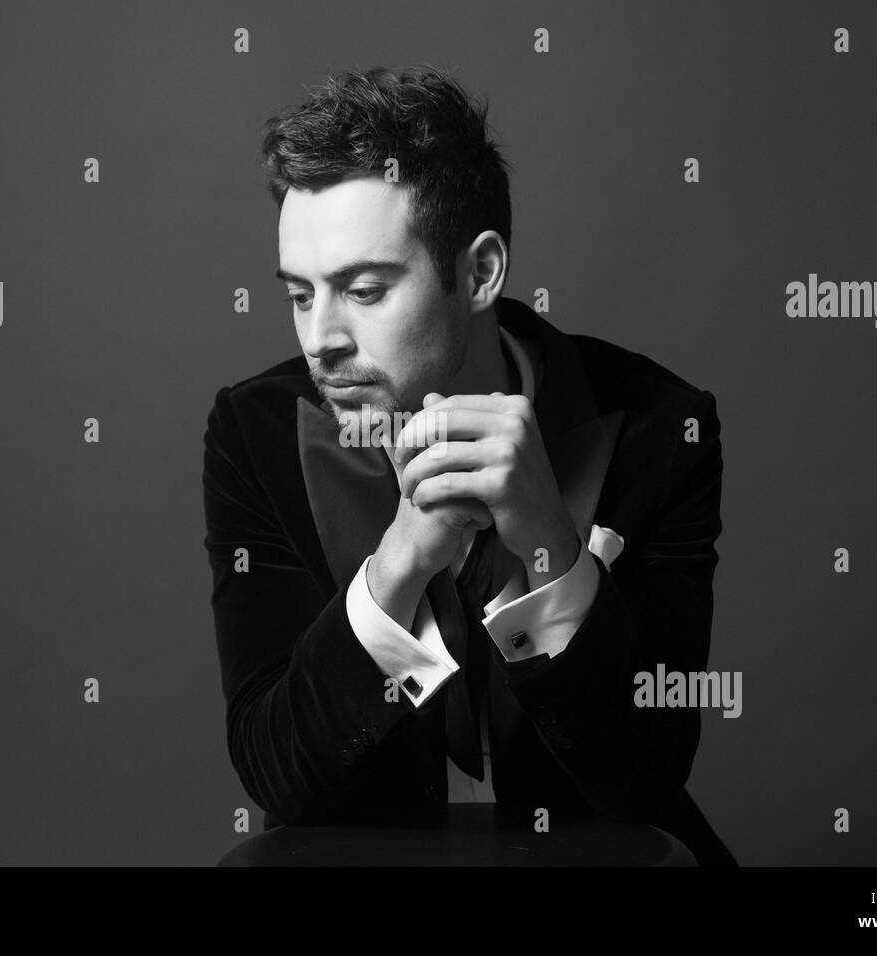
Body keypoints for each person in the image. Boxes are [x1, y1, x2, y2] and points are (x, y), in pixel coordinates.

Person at [202, 64, 736, 866]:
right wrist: (397, 566)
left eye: (366, 289)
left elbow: (644, 774)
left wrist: (552, 547)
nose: (321, 339)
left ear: (480, 272)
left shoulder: (663, 428)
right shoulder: (255, 433)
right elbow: (277, 773)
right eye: (302, 294)